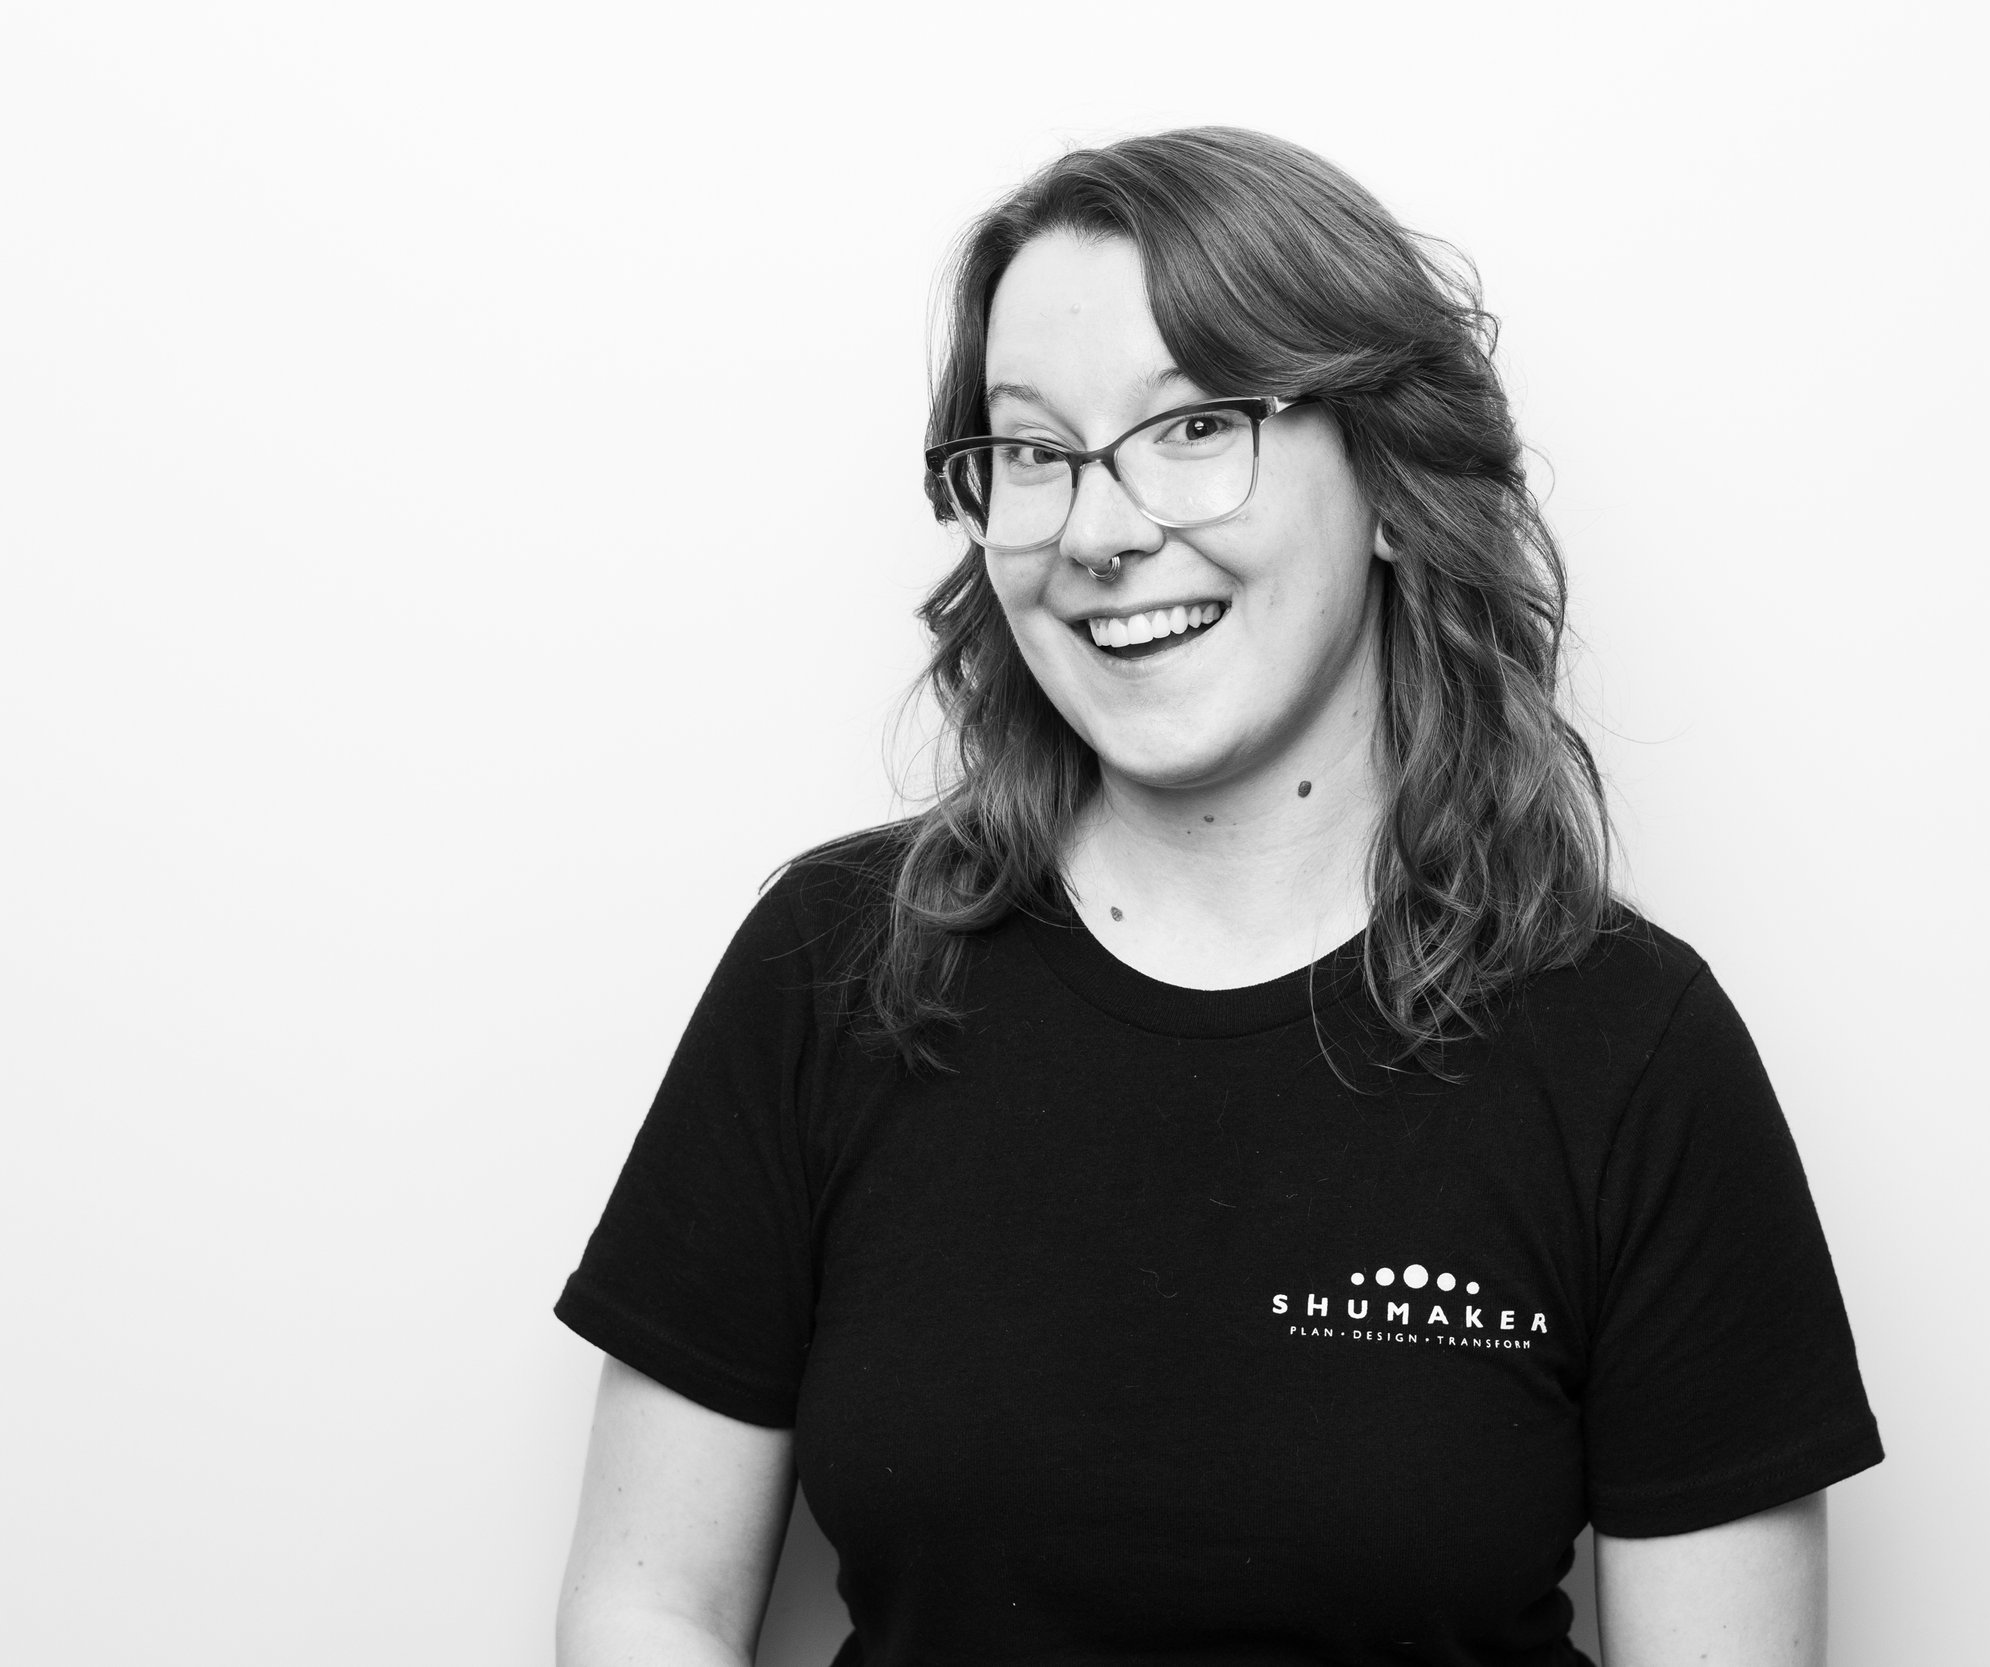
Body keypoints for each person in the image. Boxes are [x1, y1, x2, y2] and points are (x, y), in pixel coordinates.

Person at [553, 127, 1881, 1667]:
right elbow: (651, 1604)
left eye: (1193, 427)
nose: (1103, 533)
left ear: (1391, 481)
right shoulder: (836, 972)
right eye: (1035, 452)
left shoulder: (1633, 1055)